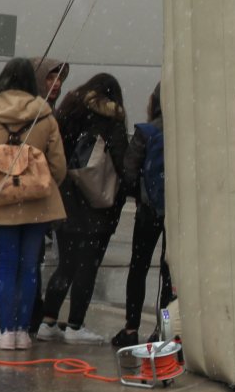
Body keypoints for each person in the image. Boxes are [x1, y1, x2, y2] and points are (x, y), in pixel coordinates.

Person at [0, 57, 66, 351]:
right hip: (37, 200)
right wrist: (43, 182)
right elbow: (58, 165)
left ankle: (5, 331)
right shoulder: (45, 115)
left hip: (3, 198)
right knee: (30, 266)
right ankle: (23, 331)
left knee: (6, 264)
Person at [34, 74, 128, 344]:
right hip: (97, 204)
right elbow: (122, 163)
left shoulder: (69, 110)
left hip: (66, 198)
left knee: (66, 265)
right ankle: (75, 325)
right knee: (88, 266)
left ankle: (48, 321)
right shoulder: (111, 119)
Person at [112, 83, 173, 349]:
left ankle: (131, 328)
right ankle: (164, 330)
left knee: (138, 268)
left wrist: (140, 194)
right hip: (175, 213)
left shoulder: (146, 132)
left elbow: (128, 172)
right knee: (169, 273)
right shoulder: (184, 131)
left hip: (148, 211)